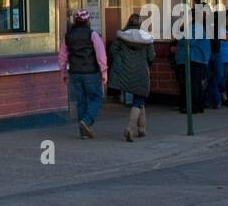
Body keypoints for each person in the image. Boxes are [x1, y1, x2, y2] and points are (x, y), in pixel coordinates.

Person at [59, 9, 107, 139]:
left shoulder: (67, 36)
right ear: (87, 21)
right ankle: (86, 121)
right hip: (90, 73)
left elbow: (62, 57)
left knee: (81, 102)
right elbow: (101, 55)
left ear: (75, 21)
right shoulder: (93, 35)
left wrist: (63, 73)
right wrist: (104, 72)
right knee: (97, 98)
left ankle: (83, 133)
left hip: (74, 73)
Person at [108, 12, 156, 141]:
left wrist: (122, 62)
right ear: (140, 24)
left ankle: (142, 128)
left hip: (125, 72)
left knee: (140, 98)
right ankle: (130, 127)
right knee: (139, 99)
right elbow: (151, 57)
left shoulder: (121, 36)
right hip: (141, 72)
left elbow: (113, 51)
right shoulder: (146, 39)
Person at [174, 13, 211, 114]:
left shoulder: (194, 28)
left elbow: (191, 42)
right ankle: (198, 106)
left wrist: (179, 38)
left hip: (196, 59)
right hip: (198, 59)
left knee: (193, 84)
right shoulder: (194, 28)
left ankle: (193, 107)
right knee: (196, 84)